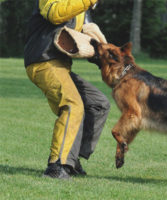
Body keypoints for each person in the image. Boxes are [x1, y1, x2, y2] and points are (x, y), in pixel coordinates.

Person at [24, 0, 110, 179]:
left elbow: (88, 33)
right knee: (72, 104)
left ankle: (71, 158)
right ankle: (56, 167)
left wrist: (111, 57)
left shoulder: (82, 8)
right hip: (42, 61)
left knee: (98, 104)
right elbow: (55, 14)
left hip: (61, 65)